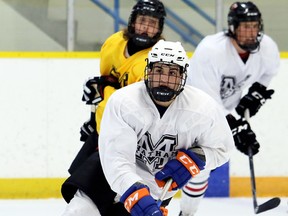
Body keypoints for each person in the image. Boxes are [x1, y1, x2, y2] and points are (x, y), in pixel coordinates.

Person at [81, 39, 233, 216]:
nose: (164, 79)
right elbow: (117, 160)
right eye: (159, 70)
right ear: (149, 71)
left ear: (183, 76)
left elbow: (222, 149)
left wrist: (196, 159)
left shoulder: (203, 108)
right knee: (77, 212)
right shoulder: (124, 101)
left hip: (155, 188)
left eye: (172, 73)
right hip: (104, 174)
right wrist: (138, 197)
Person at [61, 0, 166, 215]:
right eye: (142, 21)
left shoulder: (155, 61)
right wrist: (93, 120)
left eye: (152, 24)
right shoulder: (114, 43)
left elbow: (128, 108)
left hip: (132, 147)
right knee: (81, 201)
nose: (146, 28)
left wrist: (103, 89)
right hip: (104, 134)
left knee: (110, 204)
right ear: (131, 22)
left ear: (160, 28)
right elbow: (107, 82)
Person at [179, 2, 280, 216]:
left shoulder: (267, 47)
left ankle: (185, 214)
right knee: (194, 165)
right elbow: (206, 101)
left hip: (222, 109)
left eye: (254, 26)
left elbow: (269, 71)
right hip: (192, 112)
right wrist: (236, 127)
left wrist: (257, 93)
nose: (251, 33)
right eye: (245, 27)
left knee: (202, 167)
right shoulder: (211, 49)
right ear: (232, 28)